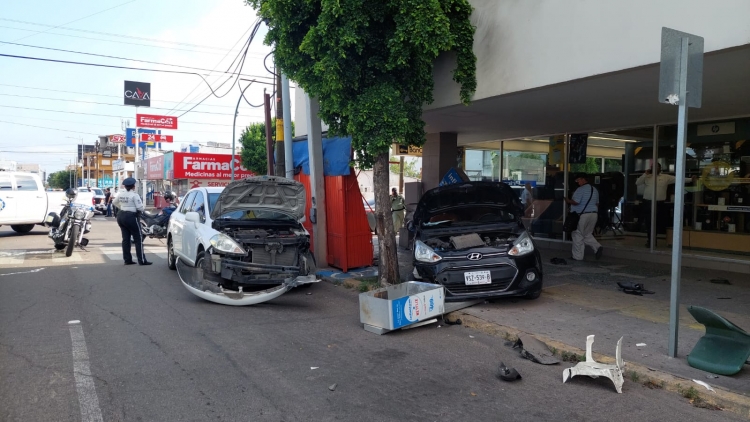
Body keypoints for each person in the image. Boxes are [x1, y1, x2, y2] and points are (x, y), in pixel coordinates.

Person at [636, 163, 697, 247]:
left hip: (659, 203)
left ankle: (654, 238)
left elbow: (678, 179)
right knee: (648, 222)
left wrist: (690, 179)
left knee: (658, 222)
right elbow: (637, 183)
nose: (656, 169)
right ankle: (650, 240)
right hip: (648, 202)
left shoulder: (665, 177)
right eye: (654, 167)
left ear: (660, 168)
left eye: (658, 167)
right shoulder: (647, 177)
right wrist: (645, 174)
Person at [113, 178, 151, 265]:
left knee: (126, 239)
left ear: (125, 186)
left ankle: (127, 260)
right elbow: (140, 208)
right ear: (133, 186)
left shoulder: (121, 194)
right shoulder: (134, 195)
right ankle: (142, 260)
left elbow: (114, 202)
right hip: (131, 217)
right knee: (138, 239)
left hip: (121, 216)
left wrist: (122, 207)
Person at [564, 174, 603, 261]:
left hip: (582, 215)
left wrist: (568, 201)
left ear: (583, 179)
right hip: (593, 214)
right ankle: (597, 247)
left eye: (578, 180)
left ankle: (577, 257)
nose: (577, 182)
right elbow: (597, 204)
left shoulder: (580, 189)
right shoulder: (595, 189)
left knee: (577, 234)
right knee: (587, 234)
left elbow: (576, 202)